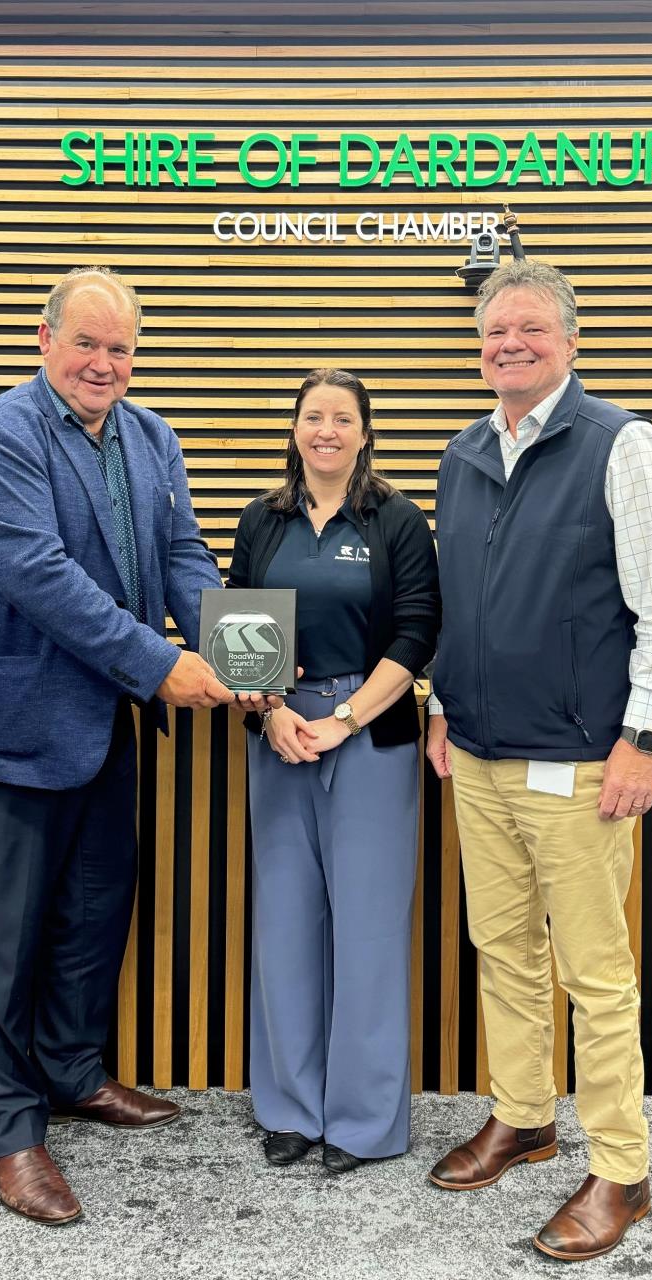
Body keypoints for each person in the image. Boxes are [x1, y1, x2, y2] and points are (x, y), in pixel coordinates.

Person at [0, 266, 263, 1225]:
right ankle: (11, 1129)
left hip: (100, 727)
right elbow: (42, 576)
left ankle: (72, 1073)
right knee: (0, 940)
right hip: (0, 728)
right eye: (88, 344)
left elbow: (185, 555)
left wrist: (247, 657)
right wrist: (161, 667)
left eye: (121, 348)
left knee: (95, 909)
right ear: (45, 338)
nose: (105, 364)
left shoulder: (152, 436)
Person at [426, 259, 652, 1260]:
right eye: (495, 331)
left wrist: (644, 736)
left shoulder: (619, 443)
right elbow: (460, 605)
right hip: (481, 755)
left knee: (595, 972)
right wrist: (444, 702)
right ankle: (524, 1114)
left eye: (531, 330)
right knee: (503, 949)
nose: (510, 344)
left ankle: (621, 1169)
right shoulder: (463, 453)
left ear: (570, 341)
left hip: (585, 760)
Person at [228, 368, 440, 1174]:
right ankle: (289, 1108)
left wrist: (346, 719)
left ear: (364, 431)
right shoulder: (262, 520)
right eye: (312, 416)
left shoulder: (395, 519)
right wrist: (272, 711)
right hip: (279, 732)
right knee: (283, 924)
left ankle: (362, 1121)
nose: (326, 430)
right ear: (294, 429)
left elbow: (418, 631)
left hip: (370, 734)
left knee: (369, 930)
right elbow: (238, 624)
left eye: (342, 418)